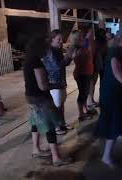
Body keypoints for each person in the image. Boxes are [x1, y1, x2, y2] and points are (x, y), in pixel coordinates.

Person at [24, 36, 72, 167]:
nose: (47, 49)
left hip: (30, 96)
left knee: (35, 122)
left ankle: (36, 149)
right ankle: (56, 158)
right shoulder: (36, 62)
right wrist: (57, 85)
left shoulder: (28, 59)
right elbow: (43, 86)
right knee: (50, 126)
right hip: (40, 98)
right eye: (45, 46)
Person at [95, 31, 122, 168]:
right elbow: (116, 71)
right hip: (111, 93)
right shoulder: (114, 51)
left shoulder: (118, 50)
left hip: (116, 92)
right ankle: (106, 156)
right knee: (114, 122)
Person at [41, 29, 74, 135]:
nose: (61, 41)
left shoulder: (57, 49)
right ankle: (56, 127)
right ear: (52, 39)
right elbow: (57, 66)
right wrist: (69, 55)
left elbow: (64, 64)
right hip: (53, 83)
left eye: (61, 39)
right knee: (56, 106)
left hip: (60, 81)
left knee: (61, 104)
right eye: (59, 39)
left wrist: (70, 57)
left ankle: (62, 123)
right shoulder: (50, 51)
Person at [69, 30, 93, 121]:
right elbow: (80, 62)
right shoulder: (77, 48)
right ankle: (81, 114)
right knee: (82, 94)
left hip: (86, 73)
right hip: (81, 74)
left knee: (85, 93)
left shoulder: (82, 46)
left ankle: (85, 109)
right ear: (76, 38)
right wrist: (85, 53)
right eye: (80, 37)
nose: (82, 38)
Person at [87, 28, 107, 110]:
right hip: (95, 65)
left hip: (99, 65)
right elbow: (93, 54)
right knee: (92, 83)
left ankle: (93, 100)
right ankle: (90, 101)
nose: (104, 35)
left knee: (95, 83)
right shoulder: (96, 43)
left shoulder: (100, 42)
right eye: (103, 34)